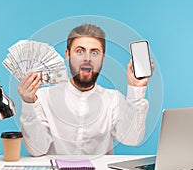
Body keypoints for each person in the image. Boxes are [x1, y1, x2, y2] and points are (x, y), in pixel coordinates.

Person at [17, 23, 152, 156]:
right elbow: (37, 150)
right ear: (67, 54)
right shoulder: (43, 97)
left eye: (94, 52)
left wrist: (136, 91)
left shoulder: (113, 99)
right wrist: (28, 103)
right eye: (80, 51)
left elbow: (132, 139)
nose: (87, 58)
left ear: (103, 58)